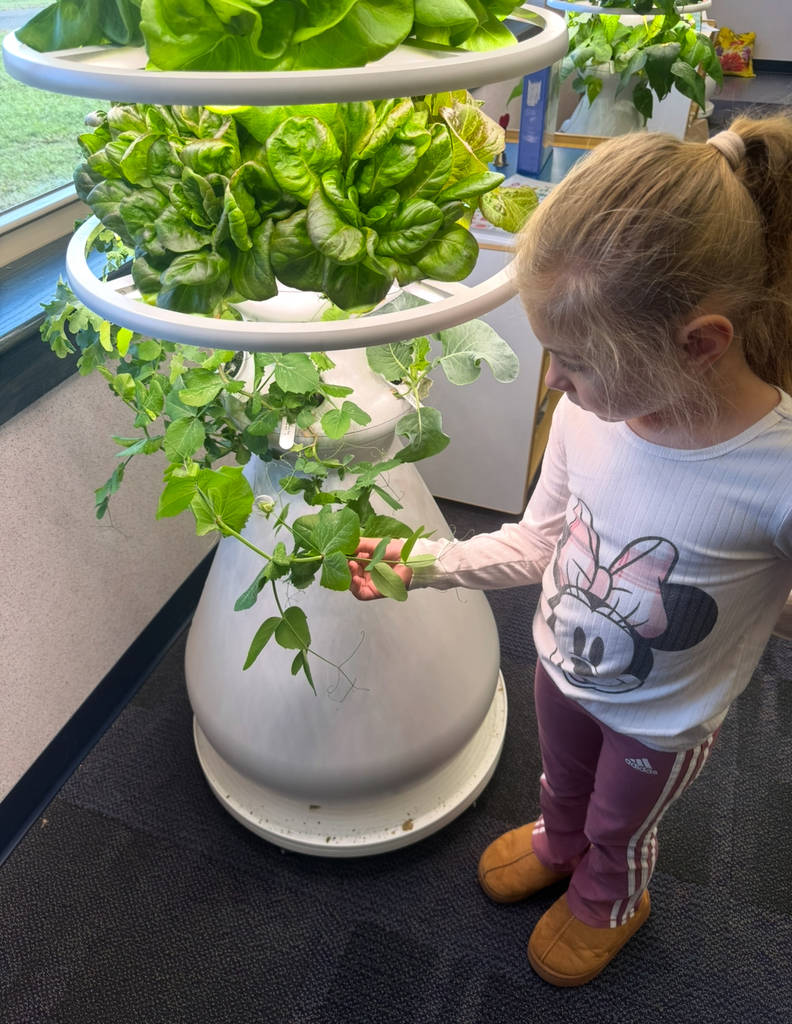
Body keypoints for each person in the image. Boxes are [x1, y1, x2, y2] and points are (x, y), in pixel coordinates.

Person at [348, 115, 792, 987]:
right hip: (559, 669)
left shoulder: (775, 474)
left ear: (698, 344)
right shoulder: (590, 418)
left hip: (660, 726)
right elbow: (538, 541)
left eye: (574, 362)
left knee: (622, 822)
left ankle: (608, 896)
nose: (552, 382)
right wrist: (427, 563)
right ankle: (560, 841)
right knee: (561, 780)